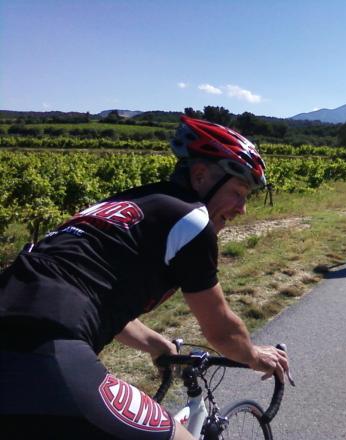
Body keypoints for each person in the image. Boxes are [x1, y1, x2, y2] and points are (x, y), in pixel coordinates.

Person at [0, 116, 290, 440]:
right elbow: (221, 330)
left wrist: (155, 343)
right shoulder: (193, 221)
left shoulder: (117, 206)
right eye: (238, 192)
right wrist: (255, 355)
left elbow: (90, 292)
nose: (243, 208)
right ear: (200, 176)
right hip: (44, 355)